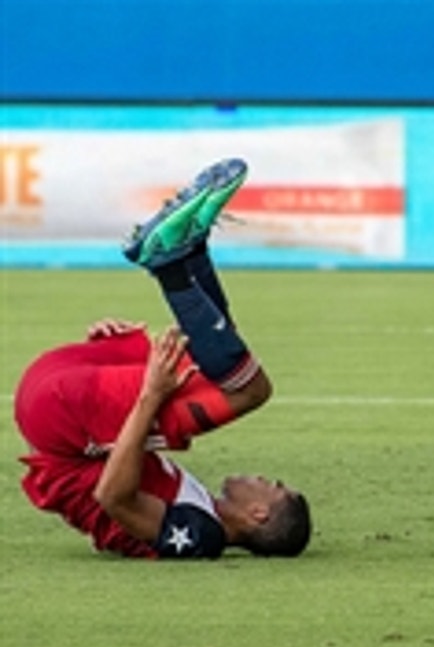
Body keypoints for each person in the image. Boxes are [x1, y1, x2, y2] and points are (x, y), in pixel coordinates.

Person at [13, 158, 312, 560]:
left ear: (258, 514)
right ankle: (191, 249)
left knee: (251, 390)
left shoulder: (201, 535)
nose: (264, 478)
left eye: (274, 485)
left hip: (59, 413)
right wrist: (108, 361)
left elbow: (113, 498)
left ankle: (171, 262)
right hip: (59, 406)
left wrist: (149, 395)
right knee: (212, 361)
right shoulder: (202, 506)